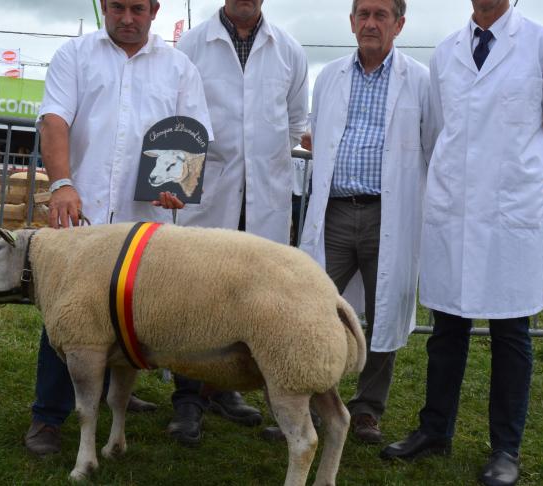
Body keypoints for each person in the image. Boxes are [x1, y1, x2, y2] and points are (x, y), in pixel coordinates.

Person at [379, 2, 543, 485]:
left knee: (511, 334)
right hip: (454, 212)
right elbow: (439, 132)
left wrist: (516, 177)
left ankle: (505, 449)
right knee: (447, 329)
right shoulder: (446, 52)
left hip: (509, 215)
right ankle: (435, 430)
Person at [24, 0, 213, 456]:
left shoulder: (179, 68)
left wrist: (178, 187)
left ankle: (116, 394)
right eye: (118, 7)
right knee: (68, 317)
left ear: (154, 10)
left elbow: (193, 135)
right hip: (83, 213)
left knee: (136, 313)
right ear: (105, 7)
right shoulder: (74, 55)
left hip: (143, 221)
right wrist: (62, 184)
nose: (127, 18)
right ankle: (48, 416)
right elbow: (54, 120)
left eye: (137, 9)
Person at [299, 0, 438, 444]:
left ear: (399, 24)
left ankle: (366, 409)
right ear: (352, 21)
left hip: (388, 213)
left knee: (384, 312)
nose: (371, 23)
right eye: (364, 14)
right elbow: (320, 135)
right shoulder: (330, 76)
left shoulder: (420, 80)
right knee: (312, 307)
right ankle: (307, 404)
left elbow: (432, 143)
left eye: (381, 15)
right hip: (335, 211)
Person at [172, 0, 309, 445]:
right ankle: (188, 399)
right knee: (196, 298)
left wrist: (261, 164)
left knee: (246, 299)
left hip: (263, 198)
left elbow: (294, 123)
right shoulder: (193, 44)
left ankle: (223, 389)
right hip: (211, 192)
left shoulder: (289, 50)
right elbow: (180, 118)